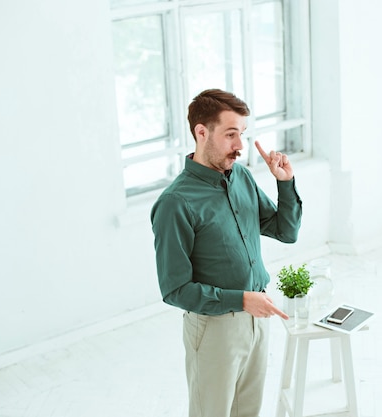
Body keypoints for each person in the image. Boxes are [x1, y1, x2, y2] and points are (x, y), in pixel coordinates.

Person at [150, 88, 303, 417]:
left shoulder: (242, 178)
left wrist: (285, 182)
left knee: (248, 412)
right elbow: (175, 290)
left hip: (258, 319)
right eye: (230, 134)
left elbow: (285, 232)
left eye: (242, 134)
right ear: (201, 132)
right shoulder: (175, 203)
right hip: (214, 328)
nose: (240, 146)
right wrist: (242, 300)